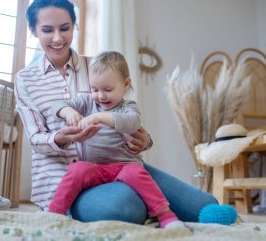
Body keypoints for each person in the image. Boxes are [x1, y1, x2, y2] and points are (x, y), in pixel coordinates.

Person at [14, 0, 218, 224]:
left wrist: (145, 140)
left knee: (205, 207)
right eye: (47, 30)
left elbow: (126, 114)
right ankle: (144, 207)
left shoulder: (99, 66)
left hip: (123, 164)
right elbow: (36, 138)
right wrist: (61, 137)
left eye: (65, 28)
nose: (58, 38)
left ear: (74, 26)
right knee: (125, 209)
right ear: (33, 31)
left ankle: (145, 203)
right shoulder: (26, 80)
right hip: (67, 181)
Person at [48, 51, 184, 229]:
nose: (100, 96)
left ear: (126, 84)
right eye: (95, 89)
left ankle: (166, 216)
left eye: (108, 90)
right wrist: (69, 112)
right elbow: (56, 106)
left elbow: (132, 123)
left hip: (124, 166)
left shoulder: (128, 106)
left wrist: (100, 117)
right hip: (94, 167)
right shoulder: (87, 101)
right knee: (77, 169)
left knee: (137, 173)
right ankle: (54, 214)